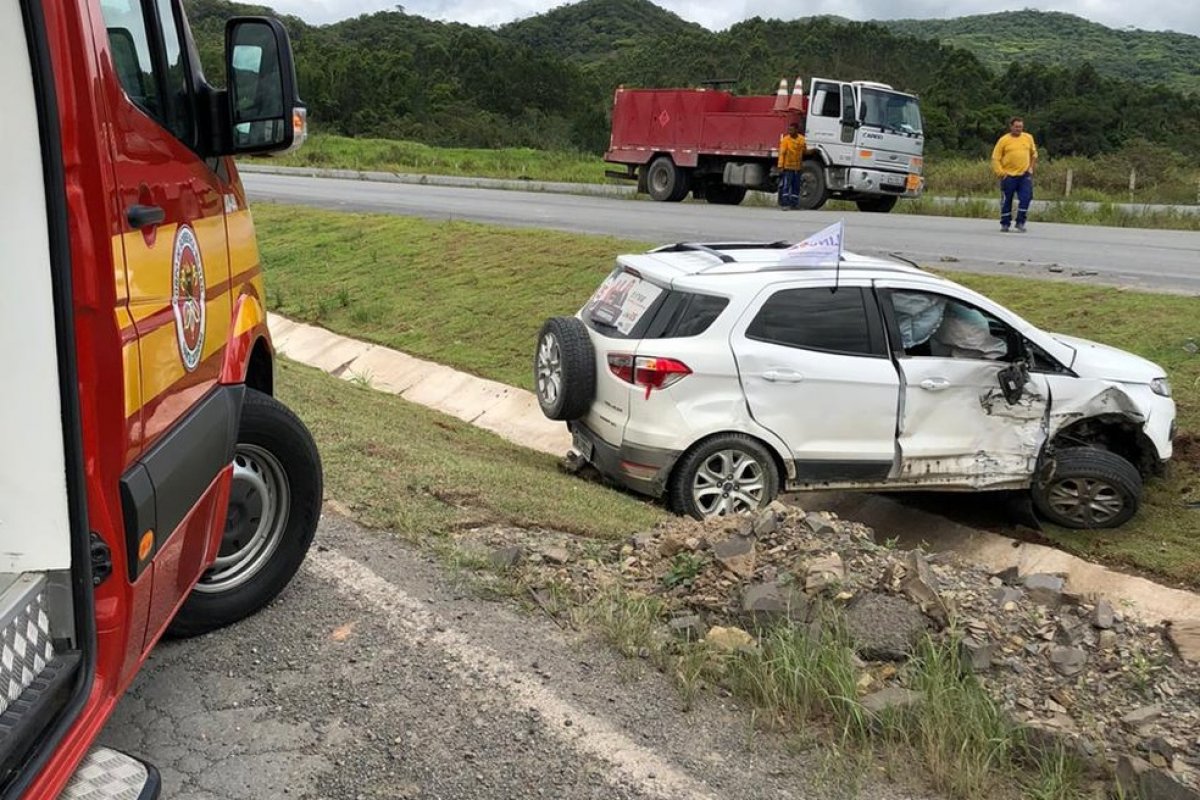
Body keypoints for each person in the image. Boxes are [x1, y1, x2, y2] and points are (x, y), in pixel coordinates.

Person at [991, 117, 1038, 233]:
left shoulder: (1028, 138)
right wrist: (1001, 173)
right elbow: (995, 158)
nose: (1018, 129)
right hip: (1009, 176)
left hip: (1024, 175)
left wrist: (1031, 167)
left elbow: (1034, 154)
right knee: (1007, 200)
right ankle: (1005, 223)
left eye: (1020, 127)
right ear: (1011, 127)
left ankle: (1020, 222)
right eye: (1016, 127)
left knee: (1026, 198)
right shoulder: (1004, 140)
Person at [777, 122, 805, 210]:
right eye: (789, 130)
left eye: (792, 130)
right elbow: (782, 153)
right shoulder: (785, 140)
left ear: (797, 130)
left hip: (797, 168)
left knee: (796, 187)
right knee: (786, 186)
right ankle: (785, 204)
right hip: (788, 167)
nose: (790, 131)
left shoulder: (801, 139)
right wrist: (780, 166)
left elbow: (804, 151)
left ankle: (794, 204)